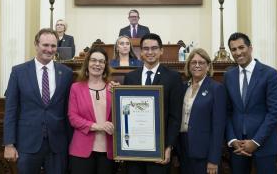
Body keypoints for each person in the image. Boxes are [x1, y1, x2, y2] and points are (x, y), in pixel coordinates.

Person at [3, 28, 74, 174]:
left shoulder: (66, 73)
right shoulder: (19, 72)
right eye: (45, 45)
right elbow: (11, 110)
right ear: (36, 45)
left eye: (53, 46)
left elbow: (68, 110)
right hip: (28, 143)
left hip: (57, 145)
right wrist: (9, 144)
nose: (49, 49)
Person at [123, 33, 184, 174]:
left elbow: (175, 116)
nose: (150, 52)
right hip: (134, 149)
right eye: (146, 48)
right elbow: (125, 113)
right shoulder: (130, 77)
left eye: (154, 48)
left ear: (161, 51)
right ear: (141, 52)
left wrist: (168, 147)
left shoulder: (173, 77)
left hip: (160, 149)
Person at [224, 32, 277, 174]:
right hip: (238, 147)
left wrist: (255, 142)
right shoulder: (228, 76)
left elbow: (274, 112)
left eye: (241, 47)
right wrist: (232, 139)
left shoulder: (270, 74)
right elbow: (226, 111)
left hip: (264, 145)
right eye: (233, 49)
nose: (238, 52)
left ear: (250, 48)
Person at [178, 48, 227, 174]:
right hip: (183, 148)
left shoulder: (216, 88)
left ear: (208, 66)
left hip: (204, 152)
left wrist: (214, 159)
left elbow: (218, 127)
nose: (197, 65)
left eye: (201, 62)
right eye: (193, 62)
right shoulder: (183, 87)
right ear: (188, 65)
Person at [68, 46, 114, 174]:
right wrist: (98, 126)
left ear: (105, 65)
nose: (97, 64)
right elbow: (73, 118)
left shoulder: (113, 89)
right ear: (87, 63)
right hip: (81, 150)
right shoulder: (76, 88)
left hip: (108, 151)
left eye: (101, 61)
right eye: (93, 60)